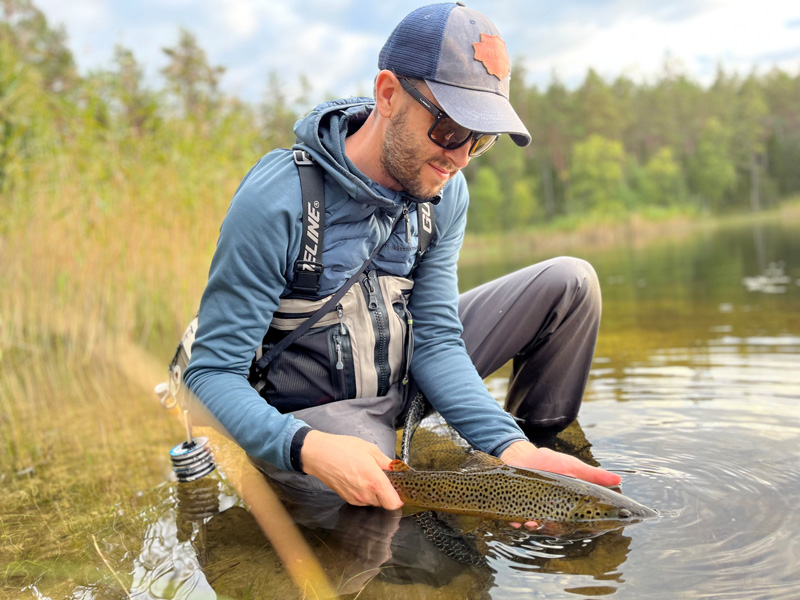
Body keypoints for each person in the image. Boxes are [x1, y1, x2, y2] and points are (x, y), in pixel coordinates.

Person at [184, 2, 621, 520]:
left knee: (571, 283)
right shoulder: (278, 199)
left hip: (401, 368)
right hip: (319, 406)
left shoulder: (446, 191)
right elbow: (211, 374)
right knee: (385, 514)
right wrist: (305, 447)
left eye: (481, 140)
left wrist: (509, 448)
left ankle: (536, 466)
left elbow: (435, 339)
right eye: (450, 128)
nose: (460, 157)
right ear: (388, 95)